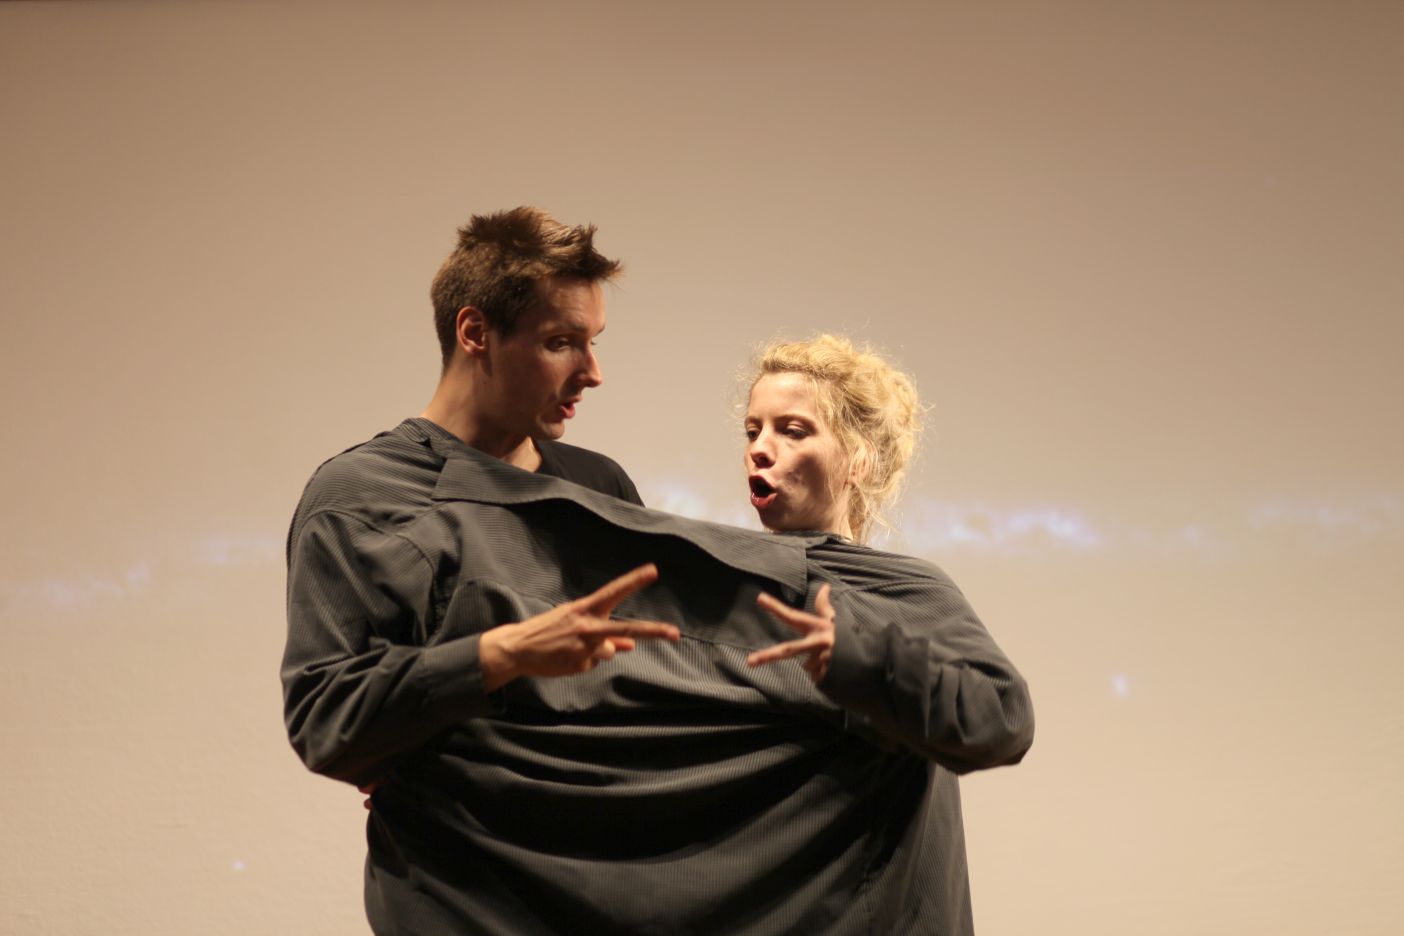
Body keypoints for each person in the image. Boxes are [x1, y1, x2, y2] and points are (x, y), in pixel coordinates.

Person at [284, 227, 1032, 931]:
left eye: (593, 342)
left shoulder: (598, 487)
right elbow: (329, 716)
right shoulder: (366, 499)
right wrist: (496, 660)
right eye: (561, 342)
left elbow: (648, 706)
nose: (592, 372)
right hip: (475, 896)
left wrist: (857, 677)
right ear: (475, 332)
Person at [739, 333, 1032, 932]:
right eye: (752, 431)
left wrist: (865, 662)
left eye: (793, 430)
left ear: (858, 461)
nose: (760, 450)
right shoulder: (729, 588)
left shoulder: (906, 593)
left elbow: (1003, 716)